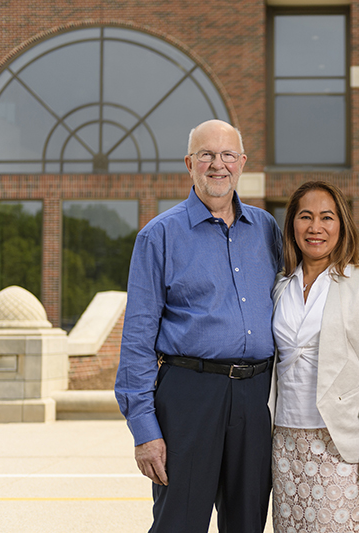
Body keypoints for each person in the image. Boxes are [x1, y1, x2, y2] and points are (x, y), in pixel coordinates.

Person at [115, 119, 282, 533]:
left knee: (246, 523)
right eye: (206, 155)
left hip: (254, 395)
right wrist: (144, 431)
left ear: (241, 163)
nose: (217, 165)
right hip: (188, 397)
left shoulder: (266, 230)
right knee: (180, 524)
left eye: (227, 155)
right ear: (190, 163)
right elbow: (136, 341)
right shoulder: (159, 236)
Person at [270, 180, 359, 533]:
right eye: (305, 217)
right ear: (292, 225)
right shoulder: (281, 286)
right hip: (285, 443)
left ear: (342, 225)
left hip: (342, 442)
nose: (315, 227)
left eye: (327, 217)